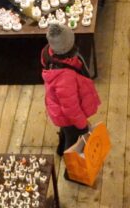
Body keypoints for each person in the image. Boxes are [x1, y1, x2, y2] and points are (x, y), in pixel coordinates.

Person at [42, 24, 100, 154]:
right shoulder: (65, 77)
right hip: (68, 115)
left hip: (59, 110)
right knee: (74, 140)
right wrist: (82, 125)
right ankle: (71, 172)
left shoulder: (50, 56)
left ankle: (60, 149)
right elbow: (71, 108)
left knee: (66, 130)